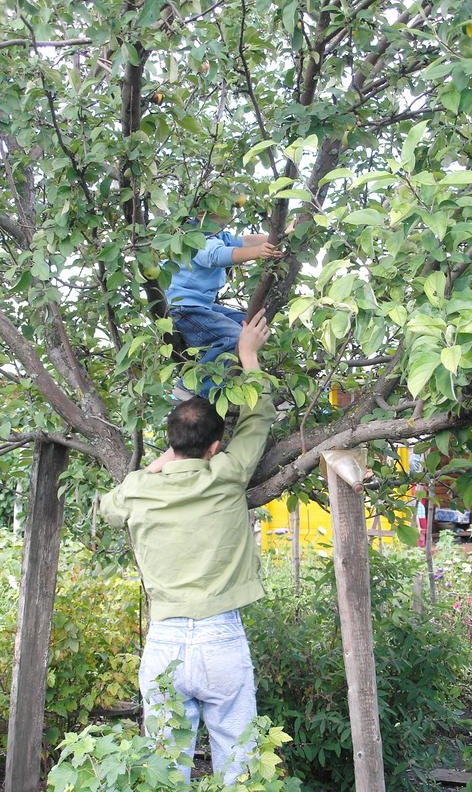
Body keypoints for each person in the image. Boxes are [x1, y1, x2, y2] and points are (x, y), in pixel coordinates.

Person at [99, 309, 276, 785]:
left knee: (164, 769)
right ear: (216, 447)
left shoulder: (137, 489)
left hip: (165, 641)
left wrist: (156, 467)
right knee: (240, 765)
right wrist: (248, 355)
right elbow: (258, 417)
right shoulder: (227, 474)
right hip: (221, 637)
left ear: (170, 443)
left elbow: (108, 510)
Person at [166, 211, 283, 400]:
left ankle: (229, 371)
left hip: (202, 306)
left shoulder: (217, 233)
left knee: (250, 325)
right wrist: (257, 252)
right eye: (223, 204)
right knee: (236, 338)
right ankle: (191, 387)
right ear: (202, 212)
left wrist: (281, 235)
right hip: (184, 308)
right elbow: (215, 255)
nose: (231, 210)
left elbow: (246, 240)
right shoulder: (193, 235)